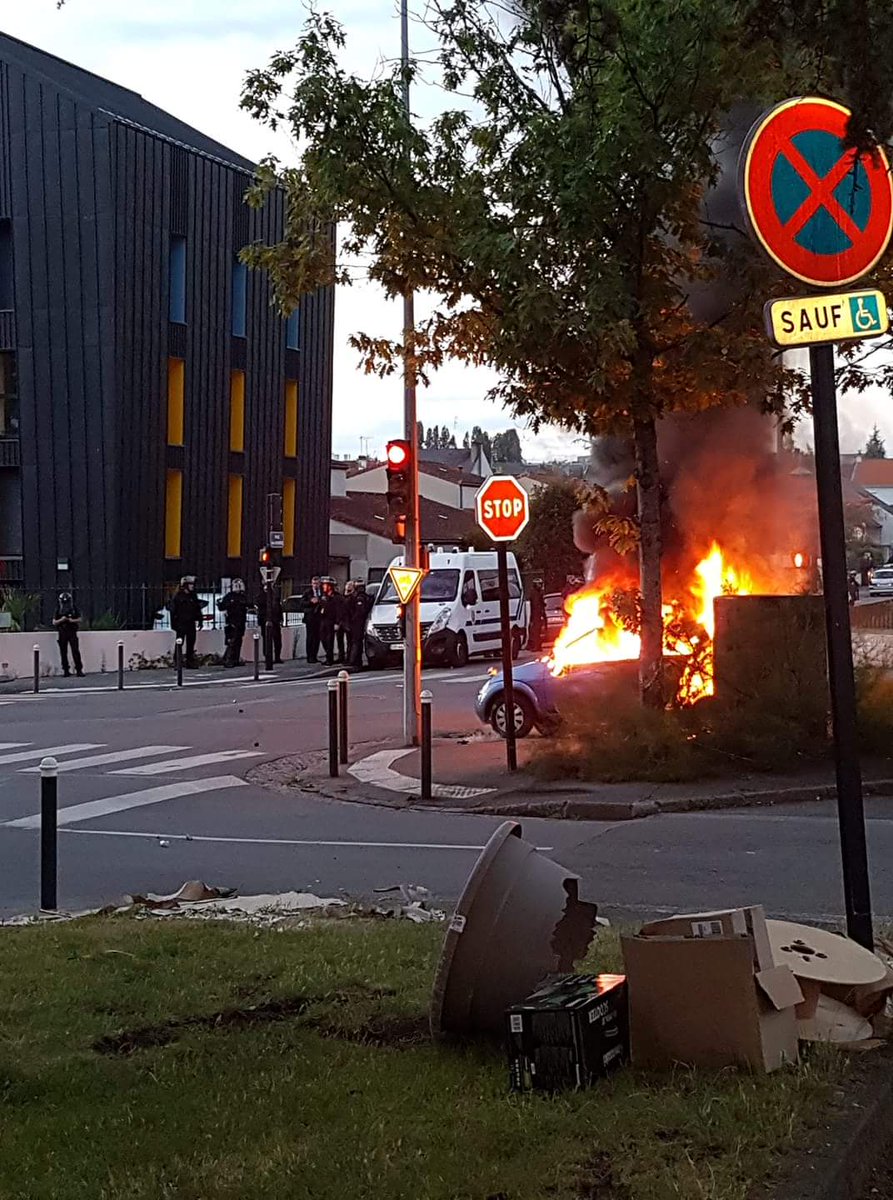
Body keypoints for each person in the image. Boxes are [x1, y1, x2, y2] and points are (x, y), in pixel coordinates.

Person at [167, 576, 206, 666]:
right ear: (185, 585)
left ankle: (190, 661)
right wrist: (174, 624)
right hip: (181, 623)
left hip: (191, 623)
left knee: (191, 642)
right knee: (179, 642)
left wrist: (200, 620)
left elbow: (197, 609)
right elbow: (173, 611)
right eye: (190, 584)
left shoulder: (193, 596)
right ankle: (177, 662)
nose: (192, 586)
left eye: (193, 584)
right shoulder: (178, 597)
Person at [217, 579, 249, 667]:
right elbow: (222, 607)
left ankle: (235, 659)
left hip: (241, 622)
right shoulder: (229, 596)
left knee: (238, 641)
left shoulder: (243, 597)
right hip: (231, 622)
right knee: (232, 642)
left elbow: (246, 607)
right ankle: (228, 660)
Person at [53, 591, 83, 677]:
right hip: (62, 632)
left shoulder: (74, 608)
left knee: (75, 651)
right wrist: (62, 620)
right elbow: (54, 622)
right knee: (63, 652)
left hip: (72, 632)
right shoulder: (58, 609)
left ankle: (79, 669)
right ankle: (66, 670)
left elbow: (80, 619)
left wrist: (71, 620)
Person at [347, 581, 374, 669]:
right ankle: (355, 661)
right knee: (356, 643)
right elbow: (360, 611)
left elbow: (360, 611)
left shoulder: (360, 597)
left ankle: (355, 661)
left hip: (357, 623)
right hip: (358, 623)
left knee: (356, 642)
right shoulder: (360, 598)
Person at [257, 582, 284, 664]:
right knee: (267, 641)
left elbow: (279, 607)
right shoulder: (261, 596)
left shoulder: (275, 595)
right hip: (266, 622)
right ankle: (268, 658)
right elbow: (260, 609)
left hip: (276, 621)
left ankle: (277, 657)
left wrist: (281, 618)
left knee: (278, 640)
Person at [318, 577, 339, 666]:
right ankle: (327, 655)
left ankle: (329, 659)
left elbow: (338, 611)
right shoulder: (323, 597)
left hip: (331, 621)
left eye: (326, 585)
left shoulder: (336, 597)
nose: (324, 587)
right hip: (323, 620)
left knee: (330, 640)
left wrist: (337, 622)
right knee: (323, 639)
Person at [302, 575, 323, 663]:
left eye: (317, 583)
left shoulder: (322, 592)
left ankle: (314, 656)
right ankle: (309, 656)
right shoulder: (307, 592)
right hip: (310, 618)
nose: (315, 585)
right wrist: (311, 601)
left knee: (317, 638)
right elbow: (302, 603)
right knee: (310, 637)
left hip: (319, 617)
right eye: (314, 583)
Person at [528, 579, 546, 652]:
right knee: (535, 631)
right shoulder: (534, 593)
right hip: (535, 615)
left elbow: (541, 603)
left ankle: (538, 646)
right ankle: (536, 646)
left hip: (538, 614)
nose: (540, 586)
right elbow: (535, 605)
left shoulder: (539, 593)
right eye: (539, 584)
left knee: (538, 631)